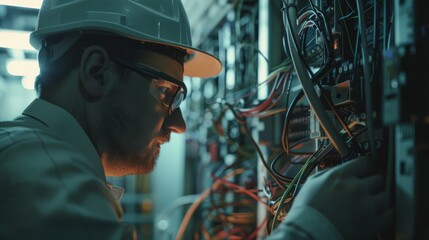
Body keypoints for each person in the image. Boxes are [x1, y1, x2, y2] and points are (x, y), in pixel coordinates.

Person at [0, 0, 392, 239]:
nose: (180, 124)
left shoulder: (34, 162)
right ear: (97, 72)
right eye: (168, 93)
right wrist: (316, 227)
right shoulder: (46, 180)